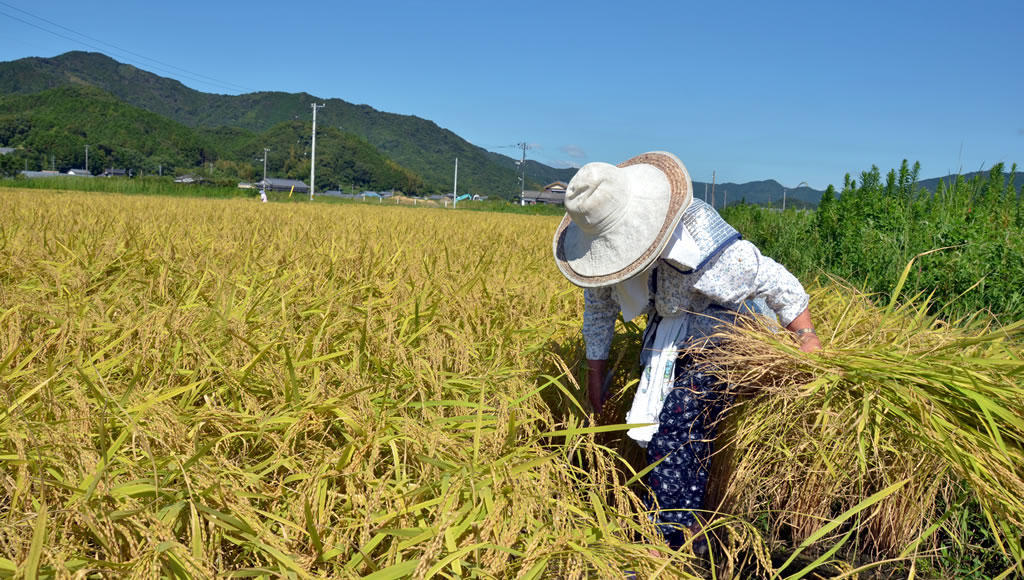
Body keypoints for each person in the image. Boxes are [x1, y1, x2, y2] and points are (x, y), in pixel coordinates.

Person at [552, 151, 821, 550]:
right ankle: (688, 527)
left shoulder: (699, 236)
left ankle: (664, 541)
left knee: (677, 421)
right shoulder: (601, 250)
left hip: (732, 328)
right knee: (668, 424)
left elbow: (771, 279)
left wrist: (806, 337)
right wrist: (596, 378)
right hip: (674, 328)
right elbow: (600, 310)